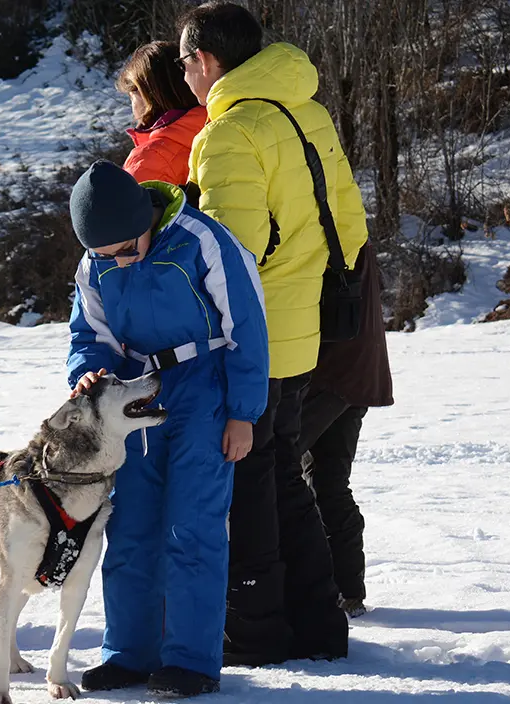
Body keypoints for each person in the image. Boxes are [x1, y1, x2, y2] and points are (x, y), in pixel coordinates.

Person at [177, 2, 369, 665]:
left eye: (184, 63)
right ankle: (318, 624)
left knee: (251, 483)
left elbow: (231, 255)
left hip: (252, 335)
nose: (185, 77)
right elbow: (349, 221)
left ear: (203, 60)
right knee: (283, 470)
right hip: (305, 321)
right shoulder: (304, 109)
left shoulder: (229, 132)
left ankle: (255, 636)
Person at [66, 160, 269, 697]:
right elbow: (88, 333)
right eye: (106, 256)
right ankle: (129, 653)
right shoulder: (97, 262)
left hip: (203, 386)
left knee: (193, 527)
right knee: (129, 526)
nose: (118, 261)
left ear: (144, 219)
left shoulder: (203, 240)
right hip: (134, 395)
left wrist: (242, 413)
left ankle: (191, 661)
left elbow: (247, 325)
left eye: (125, 250)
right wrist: (86, 368)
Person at [298, 242, 394, 619]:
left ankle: (334, 590)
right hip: (349, 369)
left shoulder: (324, 221)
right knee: (325, 480)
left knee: (281, 473)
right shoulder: (343, 216)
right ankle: (345, 589)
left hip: (330, 371)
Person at [116, 41, 206, 185]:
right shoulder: (221, 125)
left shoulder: (148, 160)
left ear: (145, 95)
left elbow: (130, 208)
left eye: (131, 97)